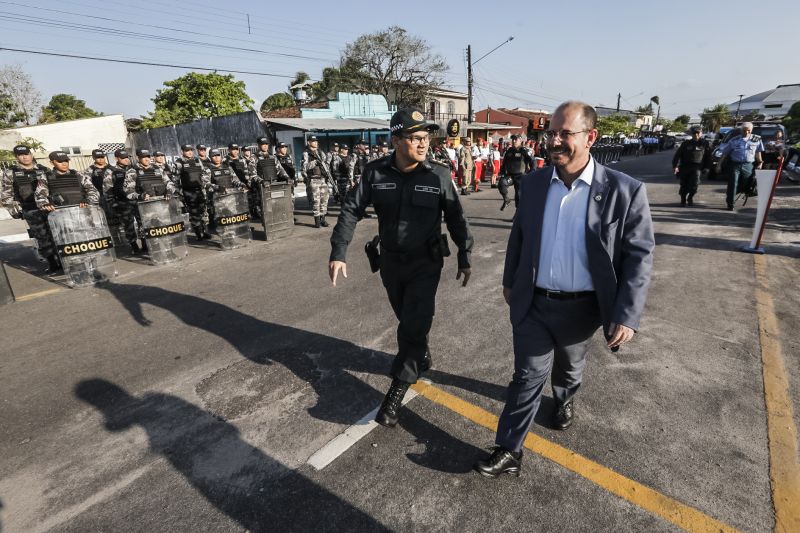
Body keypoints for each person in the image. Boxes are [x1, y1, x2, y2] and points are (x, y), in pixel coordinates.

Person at [473, 101, 654, 478]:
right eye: (551, 133)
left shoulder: (625, 190)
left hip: (582, 309)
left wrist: (627, 314)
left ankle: (565, 397)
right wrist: (509, 280)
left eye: (565, 133)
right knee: (526, 376)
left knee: (569, 370)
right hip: (535, 303)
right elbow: (519, 236)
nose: (554, 141)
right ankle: (509, 449)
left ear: (590, 137)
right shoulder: (534, 183)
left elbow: (639, 256)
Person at [328, 108, 474, 428]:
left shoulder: (438, 175)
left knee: (412, 326)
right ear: (396, 141)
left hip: (425, 264)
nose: (424, 144)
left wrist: (465, 253)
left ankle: (395, 393)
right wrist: (339, 252)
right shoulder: (375, 173)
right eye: (416, 138)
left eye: (426, 138)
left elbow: (456, 218)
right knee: (408, 320)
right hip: (391, 264)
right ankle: (420, 351)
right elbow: (351, 210)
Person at [0, 145, 61, 272]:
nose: (25, 157)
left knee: (57, 234)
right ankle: (52, 263)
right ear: (17, 157)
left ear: (31, 155)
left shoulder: (44, 169)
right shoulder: (10, 172)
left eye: (27, 154)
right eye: (21, 155)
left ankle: (62, 260)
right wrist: (14, 211)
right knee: (42, 236)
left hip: (48, 207)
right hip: (30, 209)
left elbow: (55, 187)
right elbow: (6, 194)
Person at [718, 122, 764, 211]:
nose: (746, 132)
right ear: (741, 130)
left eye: (748, 130)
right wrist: (719, 165)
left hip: (748, 165)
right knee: (733, 183)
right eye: (744, 130)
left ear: (751, 130)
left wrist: (760, 163)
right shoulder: (734, 140)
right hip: (735, 165)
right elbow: (724, 154)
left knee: (747, 184)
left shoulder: (756, 140)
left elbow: (758, 153)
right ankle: (730, 203)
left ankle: (732, 194)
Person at [104, 149, 143, 253]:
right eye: (123, 158)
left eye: (127, 157)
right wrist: (113, 203)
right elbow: (107, 189)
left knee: (142, 222)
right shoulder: (111, 171)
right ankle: (134, 246)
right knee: (128, 225)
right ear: (117, 158)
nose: (126, 159)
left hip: (137, 200)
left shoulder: (134, 169)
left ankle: (145, 244)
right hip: (122, 202)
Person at [173, 144, 212, 240]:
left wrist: (205, 184)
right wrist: (179, 193)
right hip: (188, 192)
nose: (190, 152)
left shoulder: (197, 160)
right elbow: (175, 180)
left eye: (191, 150)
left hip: (200, 190)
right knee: (194, 213)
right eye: (187, 150)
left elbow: (204, 174)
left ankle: (205, 231)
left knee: (203, 211)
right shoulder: (179, 163)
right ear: (182, 152)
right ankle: (199, 234)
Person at [671, 126, 710, 206]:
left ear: (701, 133)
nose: (696, 135)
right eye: (694, 133)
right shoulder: (686, 143)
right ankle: (683, 199)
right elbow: (677, 155)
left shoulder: (705, 143)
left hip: (697, 167)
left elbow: (708, 156)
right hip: (685, 166)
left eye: (698, 133)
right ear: (692, 134)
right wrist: (675, 166)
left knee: (695, 183)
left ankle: (690, 197)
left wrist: (707, 167)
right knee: (684, 184)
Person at [301, 135, 332, 228]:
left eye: (316, 141)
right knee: (316, 201)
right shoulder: (306, 153)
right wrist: (314, 162)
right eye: (313, 141)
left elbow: (326, 165)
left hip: (323, 179)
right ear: (309, 142)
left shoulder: (321, 152)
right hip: (313, 180)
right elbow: (304, 167)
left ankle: (323, 219)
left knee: (324, 200)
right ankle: (317, 221)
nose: (315, 143)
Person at [499, 135, 534, 210]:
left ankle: (518, 213)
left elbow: (533, 161)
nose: (513, 141)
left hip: (520, 176)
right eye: (512, 139)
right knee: (501, 183)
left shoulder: (524, 150)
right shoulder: (509, 150)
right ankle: (506, 199)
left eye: (515, 139)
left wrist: (531, 172)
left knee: (518, 195)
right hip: (510, 176)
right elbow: (504, 163)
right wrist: (502, 173)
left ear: (520, 141)